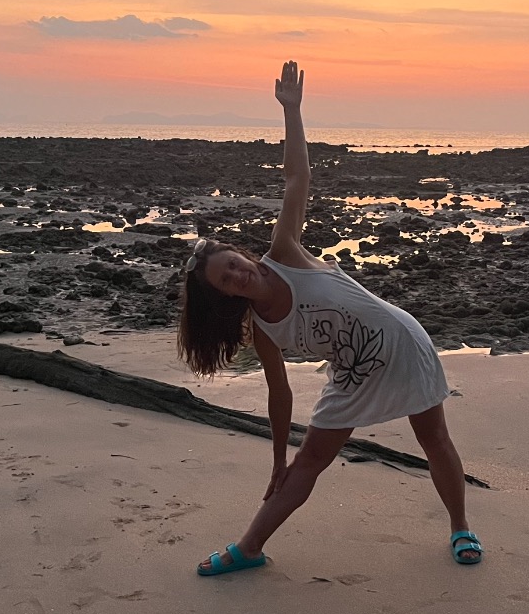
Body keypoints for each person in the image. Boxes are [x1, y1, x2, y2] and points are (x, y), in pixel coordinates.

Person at [177, 61, 483, 575]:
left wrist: (292, 112)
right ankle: (248, 548)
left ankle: (461, 529)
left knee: (434, 440)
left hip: (402, 342)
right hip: (352, 372)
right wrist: (276, 458)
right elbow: (280, 394)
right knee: (307, 462)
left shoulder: (285, 252)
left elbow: (298, 176)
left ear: (241, 253)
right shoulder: (263, 329)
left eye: (233, 264)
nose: (238, 276)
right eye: (227, 281)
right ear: (225, 296)